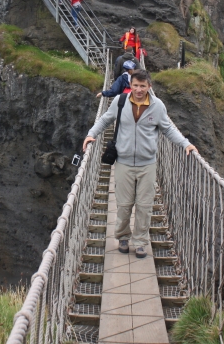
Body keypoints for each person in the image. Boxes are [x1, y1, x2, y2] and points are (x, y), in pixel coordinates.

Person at [83, 70, 197, 258]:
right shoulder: (120, 101)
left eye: (143, 86)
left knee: (144, 206)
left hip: (147, 164)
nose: (138, 89)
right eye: (135, 85)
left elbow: (168, 129)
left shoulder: (157, 106)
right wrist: (91, 134)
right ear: (131, 85)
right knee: (124, 205)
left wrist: (186, 144)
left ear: (149, 87)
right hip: (123, 163)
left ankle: (141, 242)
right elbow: (104, 120)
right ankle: (123, 237)